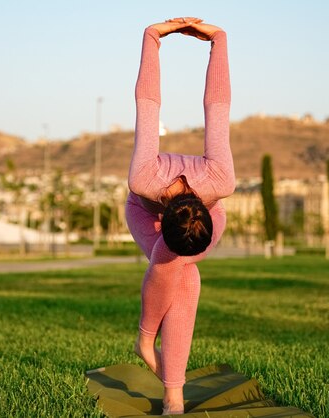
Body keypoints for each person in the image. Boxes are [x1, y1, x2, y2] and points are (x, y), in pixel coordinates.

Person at [125, 17, 235, 415]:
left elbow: (217, 107)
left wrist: (219, 42)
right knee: (179, 272)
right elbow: (148, 105)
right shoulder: (144, 181)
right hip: (144, 213)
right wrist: (151, 38)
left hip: (209, 216)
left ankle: (149, 345)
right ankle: (172, 390)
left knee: (184, 270)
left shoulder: (220, 183)